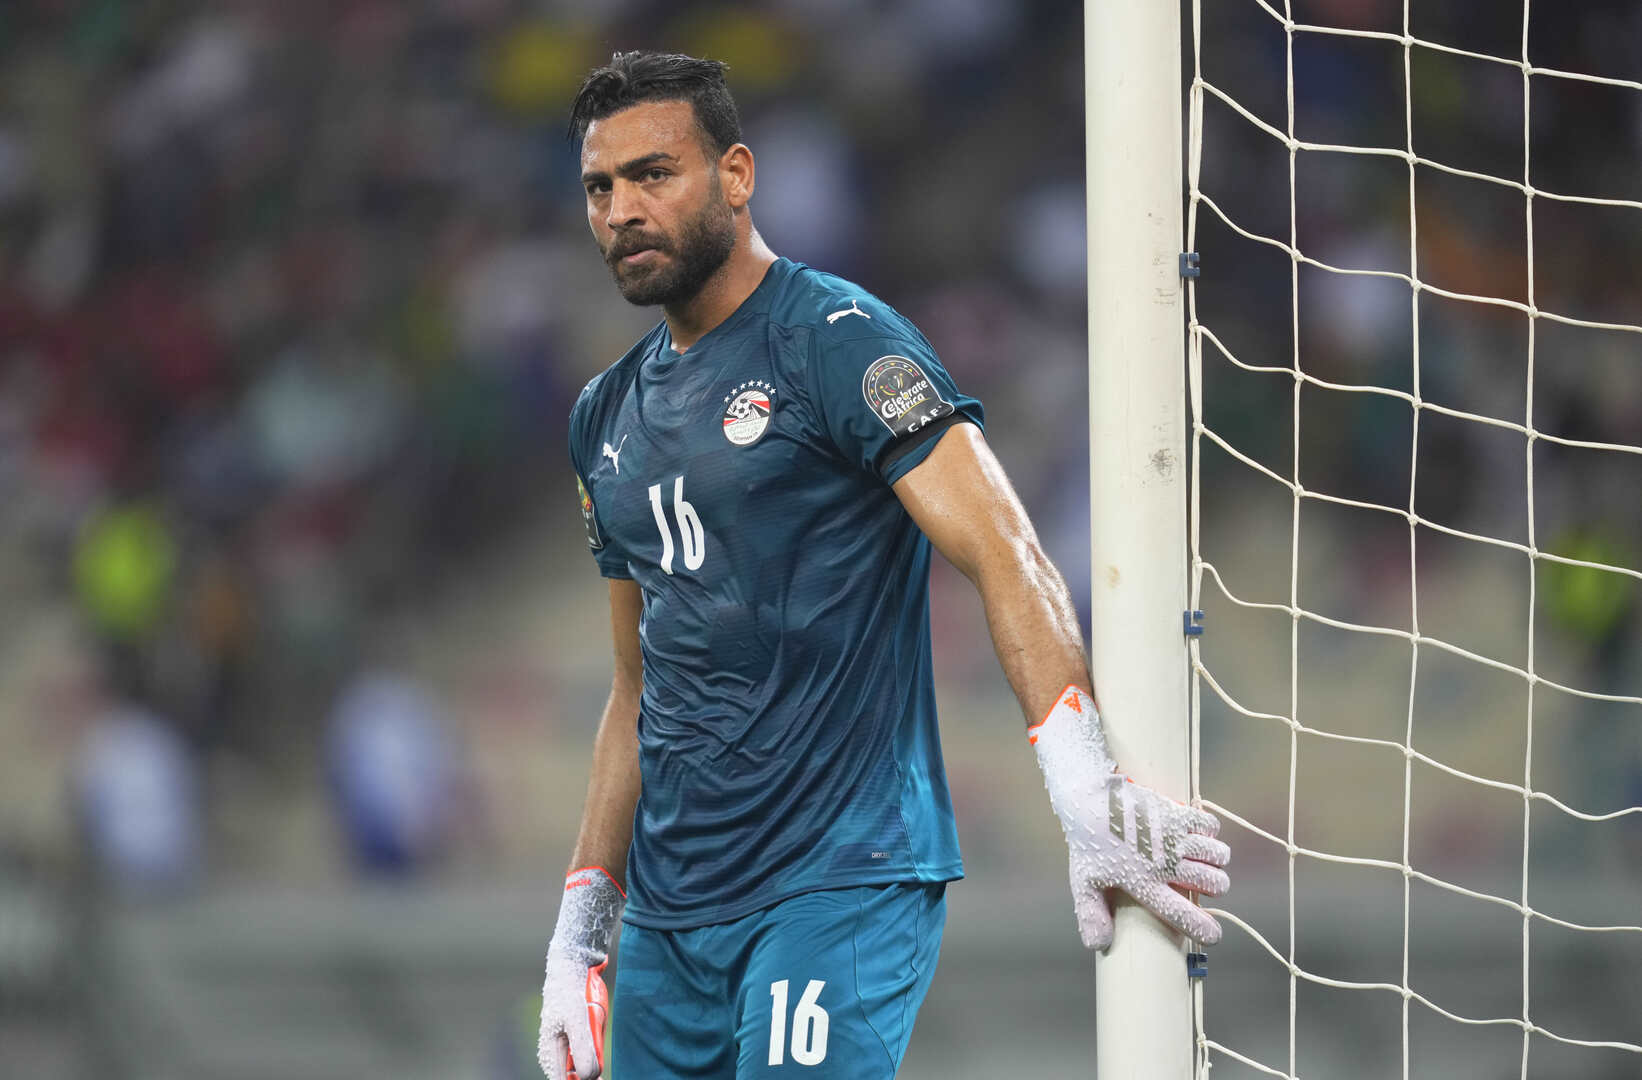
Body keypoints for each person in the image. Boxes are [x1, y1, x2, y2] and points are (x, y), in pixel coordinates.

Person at [537, 51, 1231, 1080]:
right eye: (600, 187)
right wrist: (582, 926)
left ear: (736, 174)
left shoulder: (839, 341)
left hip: (835, 881)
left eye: (653, 174)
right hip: (670, 926)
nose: (622, 210)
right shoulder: (603, 415)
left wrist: (1081, 782)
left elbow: (1004, 551)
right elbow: (636, 685)